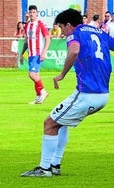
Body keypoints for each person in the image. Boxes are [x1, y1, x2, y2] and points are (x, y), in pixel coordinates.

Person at [20, 8, 114, 177]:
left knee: (49, 124)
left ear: (69, 25)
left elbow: (75, 50)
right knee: (60, 123)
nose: (62, 32)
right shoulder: (98, 31)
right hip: (103, 94)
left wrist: (61, 75)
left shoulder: (75, 34)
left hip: (87, 94)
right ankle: (55, 165)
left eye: (62, 28)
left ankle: (44, 168)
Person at [21, 5, 50, 104]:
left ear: (37, 13)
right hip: (30, 54)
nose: (32, 14)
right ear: (28, 13)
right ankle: (38, 96)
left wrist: (44, 52)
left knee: (32, 74)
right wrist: (21, 54)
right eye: (30, 12)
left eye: (34, 12)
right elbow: (26, 41)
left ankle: (43, 91)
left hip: (38, 53)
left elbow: (48, 38)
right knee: (36, 75)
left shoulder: (40, 23)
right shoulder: (27, 25)